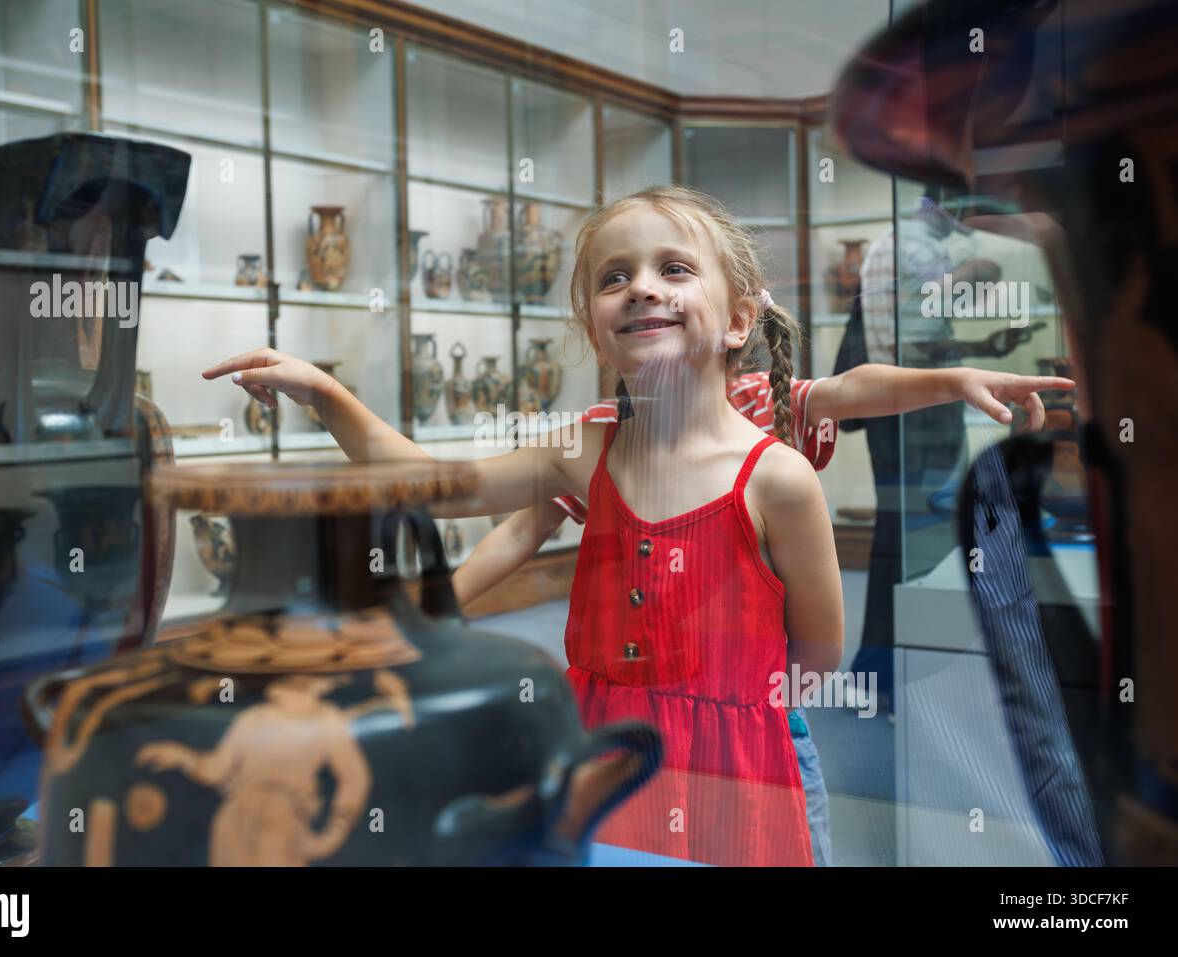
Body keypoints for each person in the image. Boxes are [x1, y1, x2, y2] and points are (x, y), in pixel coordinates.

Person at [202, 184, 1067, 865]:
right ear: (595, 328)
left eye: (673, 269)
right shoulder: (587, 451)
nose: (641, 286)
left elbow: (816, 654)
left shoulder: (780, 476)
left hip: (739, 762)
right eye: (614, 277)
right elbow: (432, 483)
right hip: (604, 745)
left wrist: (733, 706)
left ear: (737, 321)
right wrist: (327, 394)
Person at [451, 361, 1071, 867]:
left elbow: (852, 389)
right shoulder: (604, 433)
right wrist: (434, 608)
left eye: (677, 273)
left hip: (746, 705)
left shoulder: (756, 403)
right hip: (637, 700)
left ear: (733, 322)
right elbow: (520, 529)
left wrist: (953, 381)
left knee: (778, 833)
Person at [853, 188, 1043, 713]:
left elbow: (919, 337)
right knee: (913, 543)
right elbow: (920, 341)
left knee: (905, 541)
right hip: (913, 414)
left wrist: (982, 351)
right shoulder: (917, 247)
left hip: (904, 408)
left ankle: (879, 675)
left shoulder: (902, 242)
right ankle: (887, 678)